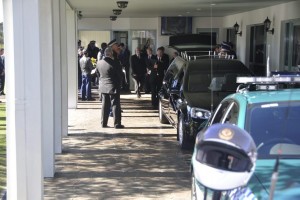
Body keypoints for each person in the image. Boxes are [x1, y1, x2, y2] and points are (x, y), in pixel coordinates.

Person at [96, 47, 124, 129]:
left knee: (105, 105)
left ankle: (103, 123)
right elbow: (120, 75)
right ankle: (117, 123)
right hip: (113, 86)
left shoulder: (99, 63)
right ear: (111, 53)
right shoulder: (115, 63)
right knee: (115, 105)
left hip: (103, 87)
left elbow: (98, 74)